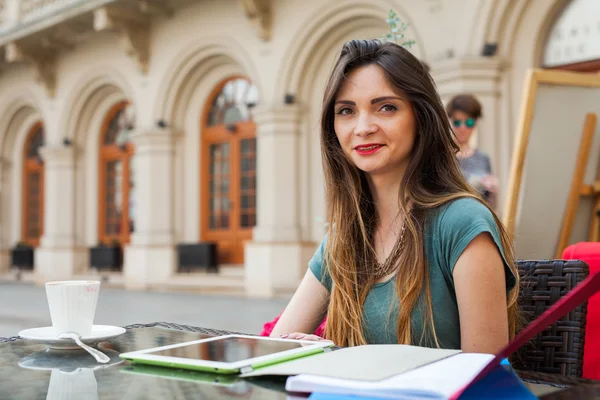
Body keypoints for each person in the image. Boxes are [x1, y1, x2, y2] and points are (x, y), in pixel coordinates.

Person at [269, 39, 519, 354]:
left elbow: (484, 377)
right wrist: (320, 354)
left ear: (421, 118)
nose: (362, 127)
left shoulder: (462, 223)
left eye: (386, 107)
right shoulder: (344, 236)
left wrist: (340, 360)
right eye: (346, 111)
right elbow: (274, 348)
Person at [446, 94, 499, 207]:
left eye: (469, 123)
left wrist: (493, 191)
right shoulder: (442, 156)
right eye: (457, 122)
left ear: (476, 123)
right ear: (449, 122)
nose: (463, 128)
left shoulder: (483, 158)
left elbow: (491, 205)